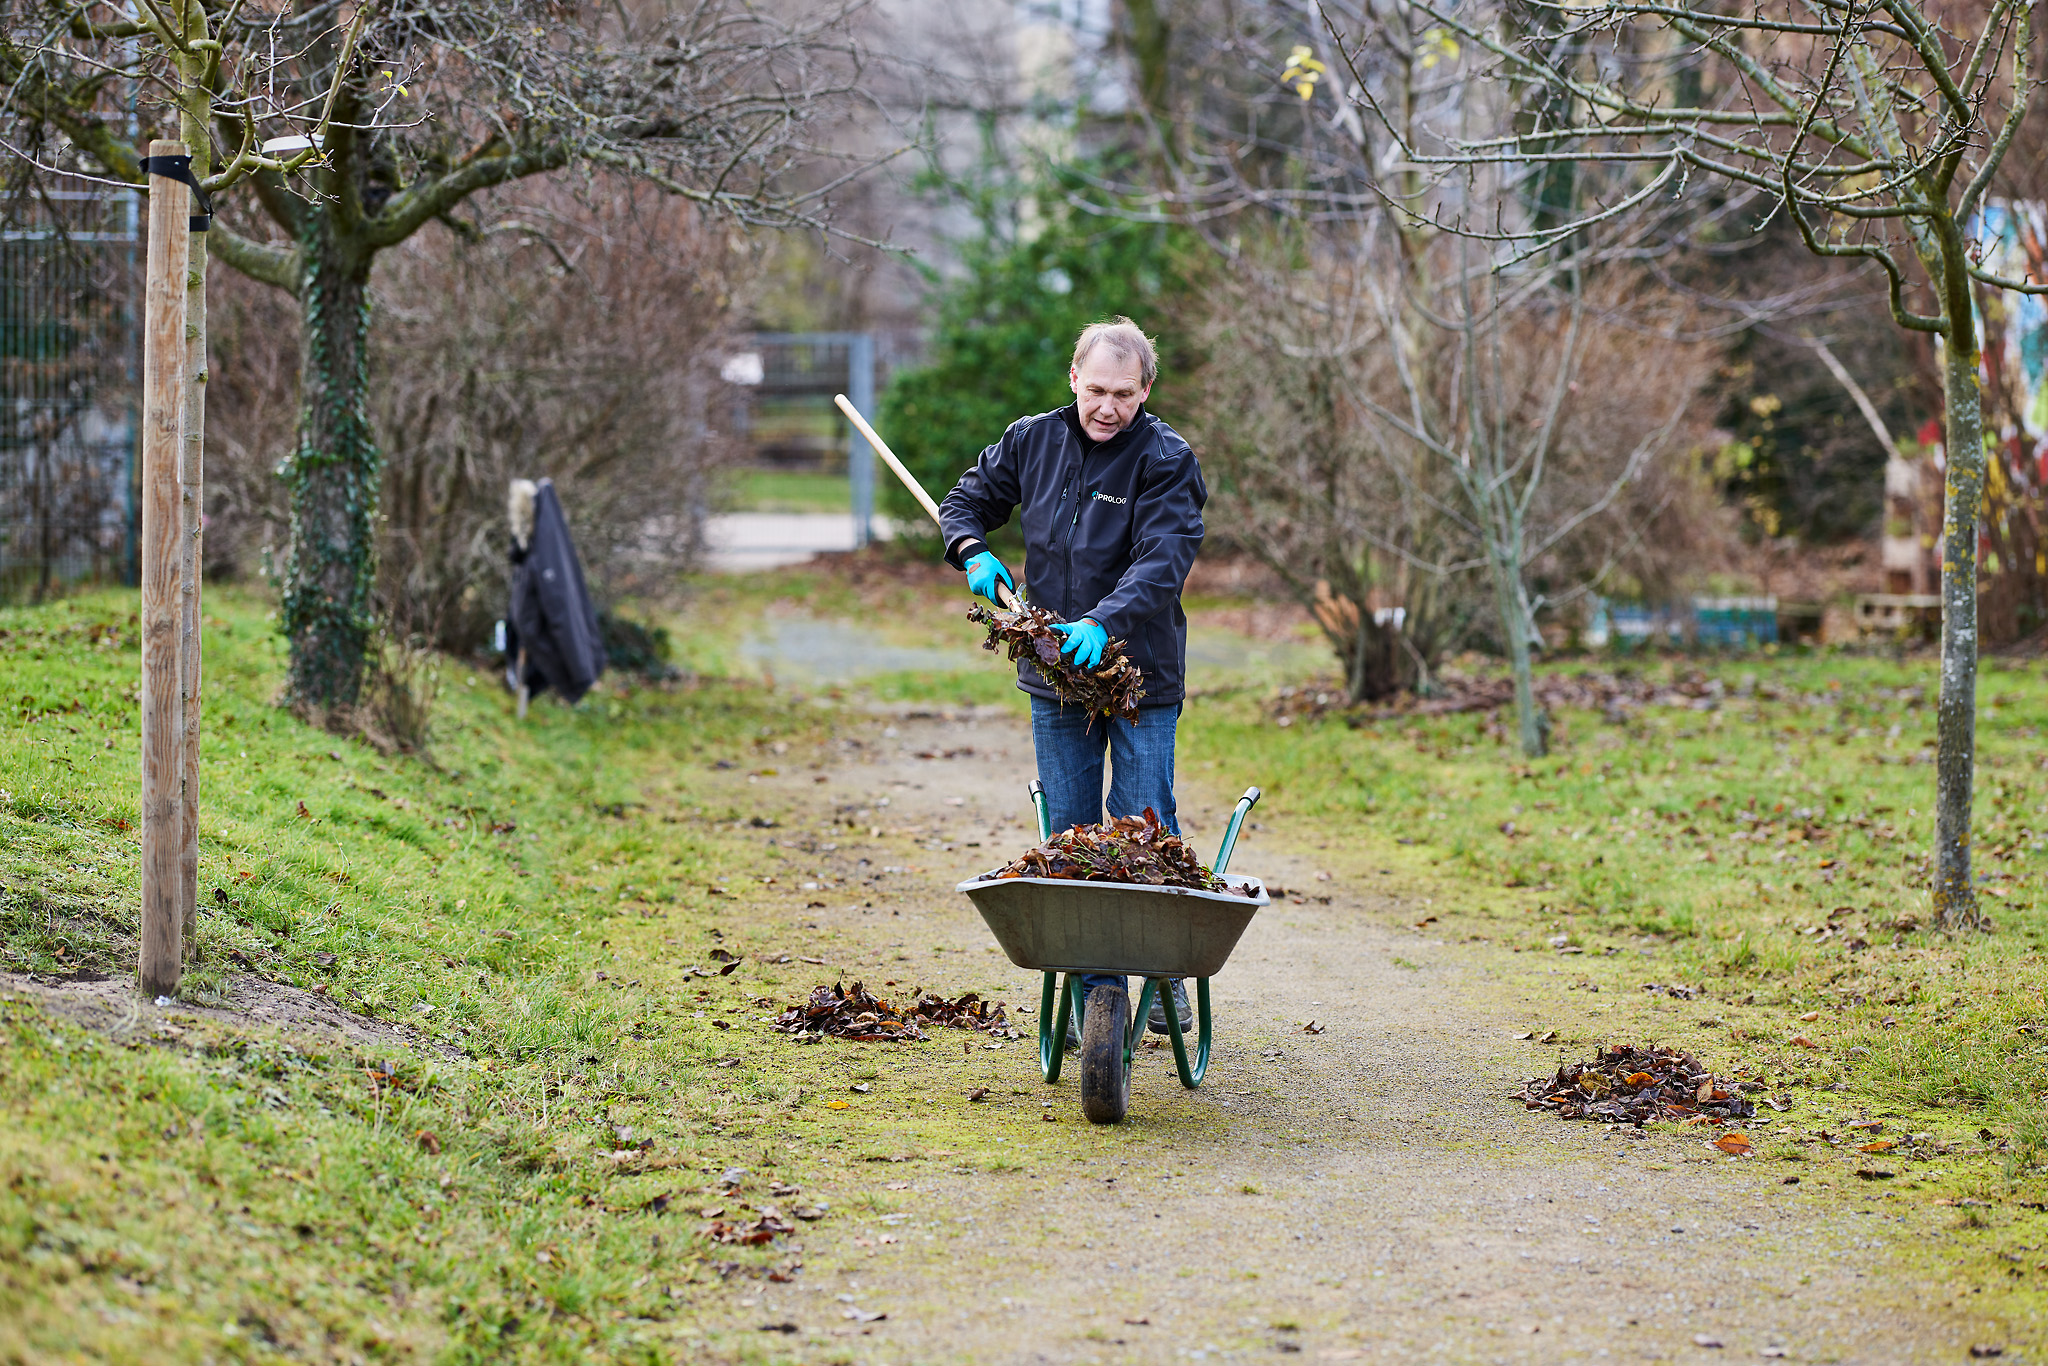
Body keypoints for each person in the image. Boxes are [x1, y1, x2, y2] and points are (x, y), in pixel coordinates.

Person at [937, 317, 1207, 1040]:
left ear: (1146, 389)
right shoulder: (1032, 440)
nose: (1108, 408)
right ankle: (1099, 988)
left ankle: (1162, 971)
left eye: (1124, 393)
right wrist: (969, 549)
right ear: (1073, 380)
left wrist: (1103, 622)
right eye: (1096, 391)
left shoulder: (1166, 459)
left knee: (1144, 821)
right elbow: (965, 501)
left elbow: (1162, 560)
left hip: (1138, 674)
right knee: (1072, 831)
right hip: (1054, 675)